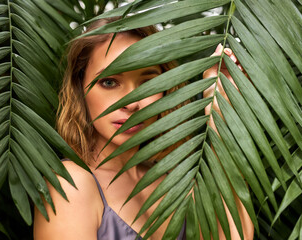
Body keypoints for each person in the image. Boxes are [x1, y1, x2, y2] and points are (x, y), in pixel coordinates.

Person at [33, 17, 254, 240]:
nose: (132, 102)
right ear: (80, 87)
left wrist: (221, 108)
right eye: (110, 82)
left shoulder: (176, 181)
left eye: (147, 82)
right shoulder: (70, 185)